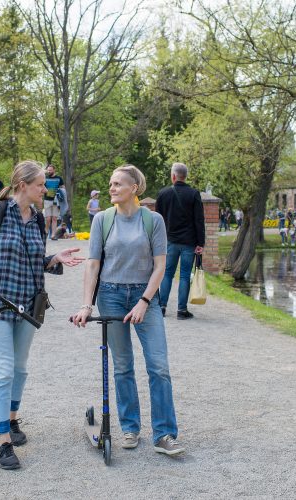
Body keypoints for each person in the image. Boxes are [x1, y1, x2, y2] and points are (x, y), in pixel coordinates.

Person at [0, 160, 84, 470]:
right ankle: (2, 442)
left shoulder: (40, 217)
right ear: (23, 185)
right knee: (4, 370)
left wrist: (54, 257)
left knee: (20, 368)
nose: (46, 189)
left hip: (28, 306)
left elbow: (33, 261)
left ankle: (12, 421)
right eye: (41, 185)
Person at [73, 164, 184, 456]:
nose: (111, 188)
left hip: (144, 296)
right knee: (123, 366)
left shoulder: (153, 220)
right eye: (110, 183)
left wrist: (144, 302)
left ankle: (164, 434)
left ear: (134, 188)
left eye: (118, 184)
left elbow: (160, 266)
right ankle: (130, 428)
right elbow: (93, 264)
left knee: (158, 366)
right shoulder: (102, 220)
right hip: (110, 295)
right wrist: (86, 305)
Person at [156, 162, 205, 319]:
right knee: (184, 275)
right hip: (188, 242)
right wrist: (200, 243)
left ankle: (161, 307)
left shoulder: (163, 194)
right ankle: (181, 310)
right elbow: (199, 220)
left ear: (173, 176)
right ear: (185, 176)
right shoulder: (194, 194)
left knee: (167, 274)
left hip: (169, 241)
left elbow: (158, 220)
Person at [43, 164, 64, 239]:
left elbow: (62, 189)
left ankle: (53, 235)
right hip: (47, 200)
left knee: (54, 218)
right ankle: (45, 232)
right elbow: (42, 188)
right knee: (48, 218)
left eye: (50, 170)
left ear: (54, 170)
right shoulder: (45, 178)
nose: (49, 171)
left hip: (56, 201)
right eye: (48, 170)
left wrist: (62, 198)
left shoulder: (59, 178)